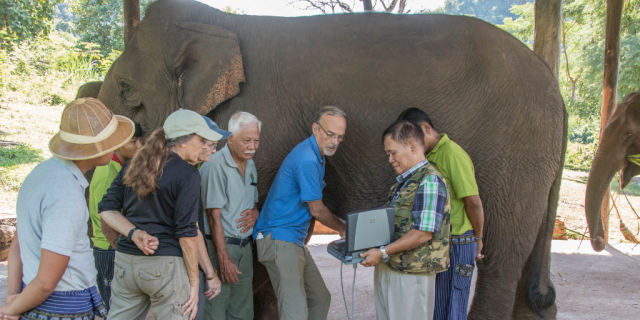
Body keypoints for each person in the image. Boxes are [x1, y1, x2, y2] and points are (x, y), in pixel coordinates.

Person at [0, 98, 134, 319]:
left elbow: (19, 240)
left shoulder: (40, 173)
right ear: (94, 147)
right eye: (111, 140)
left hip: (34, 297)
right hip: (61, 305)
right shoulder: (65, 193)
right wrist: (10, 310)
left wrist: (15, 295)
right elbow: (46, 282)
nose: (116, 145)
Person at [98, 109, 222, 320]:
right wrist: (194, 282)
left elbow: (106, 210)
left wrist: (133, 234)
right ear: (182, 141)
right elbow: (187, 233)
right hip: (165, 265)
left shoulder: (135, 164)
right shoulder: (188, 174)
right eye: (201, 140)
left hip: (126, 262)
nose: (204, 146)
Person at [253, 106, 347, 320]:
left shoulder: (315, 155)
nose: (334, 141)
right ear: (316, 128)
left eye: (340, 137)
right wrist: (342, 227)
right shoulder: (307, 159)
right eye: (330, 134)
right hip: (279, 239)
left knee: (320, 298)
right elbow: (316, 209)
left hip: (291, 239)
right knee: (295, 313)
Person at [397, 108, 485, 320]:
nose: (412, 145)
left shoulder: (452, 154)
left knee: (452, 310)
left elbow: (473, 203)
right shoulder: (429, 156)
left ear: (426, 128)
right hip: (442, 242)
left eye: (415, 138)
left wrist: (478, 238)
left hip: (459, 242)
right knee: (437, 309)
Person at [359, 120, 451, 320]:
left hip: (411, 275)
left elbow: (422, 233)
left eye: (393, 153)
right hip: (393, 268)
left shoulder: (429, 181)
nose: (390, 159)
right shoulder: (406, 181)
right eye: (387, 154)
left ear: (412, 147)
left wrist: (382, 252)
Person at [200, 112, 261, 320]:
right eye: (246, 141)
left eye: (256, 140)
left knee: (242, 312)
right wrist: (223, 258)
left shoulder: (250, 163)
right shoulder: (214, 165)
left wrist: (255, 212)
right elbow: (212, 217)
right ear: (231, 139)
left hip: (244, 247)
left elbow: (252, 200)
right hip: (219, 248)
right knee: (215, 312)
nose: (252, 146)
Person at [89, 122, 143, 316]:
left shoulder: (118, 167)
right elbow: (106, 219)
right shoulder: (107, 172)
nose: (139, 146)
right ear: (118, 143)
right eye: (134, 141)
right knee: (111, 307)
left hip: (115, 246)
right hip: (108, 248)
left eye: (140, 140)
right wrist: (118, 249)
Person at [187, 116, 228, 320]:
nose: (214, 150)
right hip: (179, 263)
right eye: (211, 144)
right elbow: (189, 231)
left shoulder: (147, 165)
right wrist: (209, 274)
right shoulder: (189, 175)